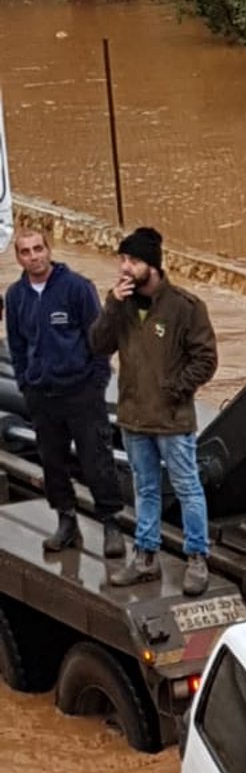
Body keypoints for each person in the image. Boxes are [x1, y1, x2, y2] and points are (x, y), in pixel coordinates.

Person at [88, 226, 218, 598]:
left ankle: (196, 557)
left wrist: (174, 390)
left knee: (187, 487)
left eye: (133, 261)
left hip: (172, 420)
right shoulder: (121, 305)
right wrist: (112, 304)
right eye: (123, 260)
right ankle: (145, 557)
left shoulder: (185, 307)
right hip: (133, 418)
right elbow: (98, 344)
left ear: (153, 266)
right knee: (144, 489)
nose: (125, 268)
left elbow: (206, 359)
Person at [3, 220, 125, 560]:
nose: (33, 257)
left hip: (81, 392)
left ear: (49, 250)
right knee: (52, 462)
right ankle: (66, 520)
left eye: (38, 249)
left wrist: (97, 383)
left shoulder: (76, 288)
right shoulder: (16, 296)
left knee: (96, 458)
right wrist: (27, 382)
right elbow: (16, 341)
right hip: (42, 394)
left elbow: (99, 338)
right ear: (19, 257)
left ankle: (111, 523)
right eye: (25, 252)